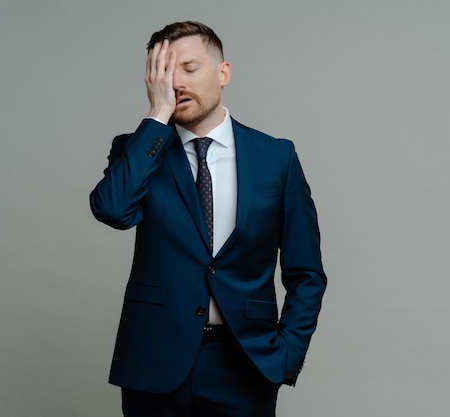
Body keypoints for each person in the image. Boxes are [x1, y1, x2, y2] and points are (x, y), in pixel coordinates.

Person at [89, 21, 327, 417]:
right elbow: (112, 210)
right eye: (163, 72)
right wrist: (158, 114)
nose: (176, 82)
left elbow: (307, 274)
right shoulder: (139, 150)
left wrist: (287, 354)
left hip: (246, 364)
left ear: (223, 72)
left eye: (188, 68)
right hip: (154, 364)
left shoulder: (276, 158)